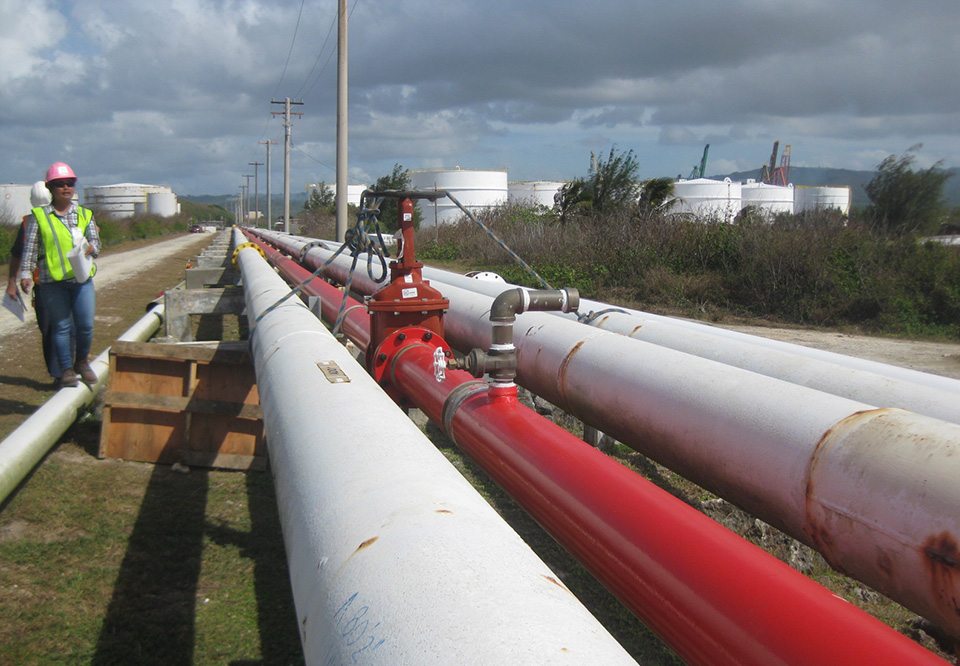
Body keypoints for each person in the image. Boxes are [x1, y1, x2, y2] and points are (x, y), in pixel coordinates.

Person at [19, 162, 101, 388]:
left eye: (70, 183)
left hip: (82, 280)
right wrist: (25, 273)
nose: (66, 188)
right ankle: (65, 370)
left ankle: (82, 362)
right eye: (59, 184)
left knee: (85, 325)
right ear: (50, 188)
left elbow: (96, 242)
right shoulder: (39, 216)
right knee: (61, 326)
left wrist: (92, 248)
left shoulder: (85, 214)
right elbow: (31, 248)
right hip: (51, 281)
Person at [6, 181, 57, 379]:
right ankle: (58, 373)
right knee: (49, 328)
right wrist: (12, 281)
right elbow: (18, 254)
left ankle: (64, 371)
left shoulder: (66, 218)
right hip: (44, 285)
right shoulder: (28, 223)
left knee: (58, 328)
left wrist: (13, 281)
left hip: (63, 284)